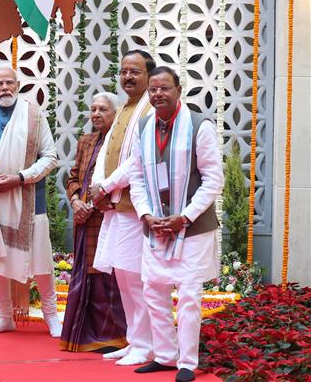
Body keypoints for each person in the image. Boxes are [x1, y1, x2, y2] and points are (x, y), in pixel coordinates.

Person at [129, 67, 223, 382]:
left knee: (188, 296)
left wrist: (184, 217)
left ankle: (187, 363)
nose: (158, 94)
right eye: (153, 89)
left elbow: (213, 180)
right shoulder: (143, 126)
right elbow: (137, 177)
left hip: (192, 228)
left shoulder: (200, 126)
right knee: (153, 291)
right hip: (156, 226)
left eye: (164, 88)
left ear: (178, 89)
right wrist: (145, 214)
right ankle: (166, 356)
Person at [0, 64, 62, 337]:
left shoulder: (34, 116)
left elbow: (50, 157)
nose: (4, 88)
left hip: (29, 199)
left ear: (17, 86)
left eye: (9, 83)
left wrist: (20, 177)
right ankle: (5, 317)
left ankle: (52, 317)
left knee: (41, 260)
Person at [89, 49, 156, 366]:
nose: (128, 76)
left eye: (135, 71)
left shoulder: (149, 109)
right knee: (123, 276)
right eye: (124, 71)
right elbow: (106, 152)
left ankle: (147, 345)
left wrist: (107, 185)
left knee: (136, 277)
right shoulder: (127, 107)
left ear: (149, 75)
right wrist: (97, 184)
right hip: (117, 205)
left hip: (134, 206)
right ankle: (135, 341)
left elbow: (138, 160)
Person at [60, 92, 128, 353]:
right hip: (83, 220)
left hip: (107, 216)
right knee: (85, 275)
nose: (96, 114)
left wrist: (92, 205)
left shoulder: (121, 144)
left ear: (115, 113)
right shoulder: (86, 141)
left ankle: (113, 337)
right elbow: (73, 177)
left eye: (103, 110)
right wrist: (76, 201)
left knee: (105, 277)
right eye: (93, 109)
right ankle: (83, 335)